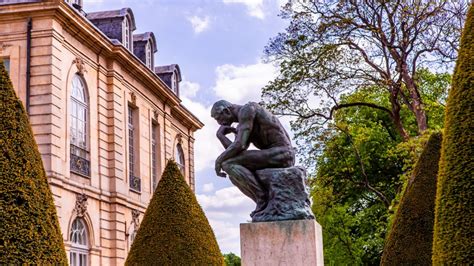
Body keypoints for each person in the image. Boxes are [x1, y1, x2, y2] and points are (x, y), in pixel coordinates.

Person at [211, 100, 295, 217]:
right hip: (273, 154)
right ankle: (261, 201)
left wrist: (219, 161)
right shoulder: (242, 123)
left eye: (218, 118)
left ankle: (262, 198)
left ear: (226, 111)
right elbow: (236, 151)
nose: (220, 123)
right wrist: (220, 136)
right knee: (232, 171)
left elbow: (239, 145)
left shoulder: (248, 110)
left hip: (283, 153)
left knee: (227, 164)